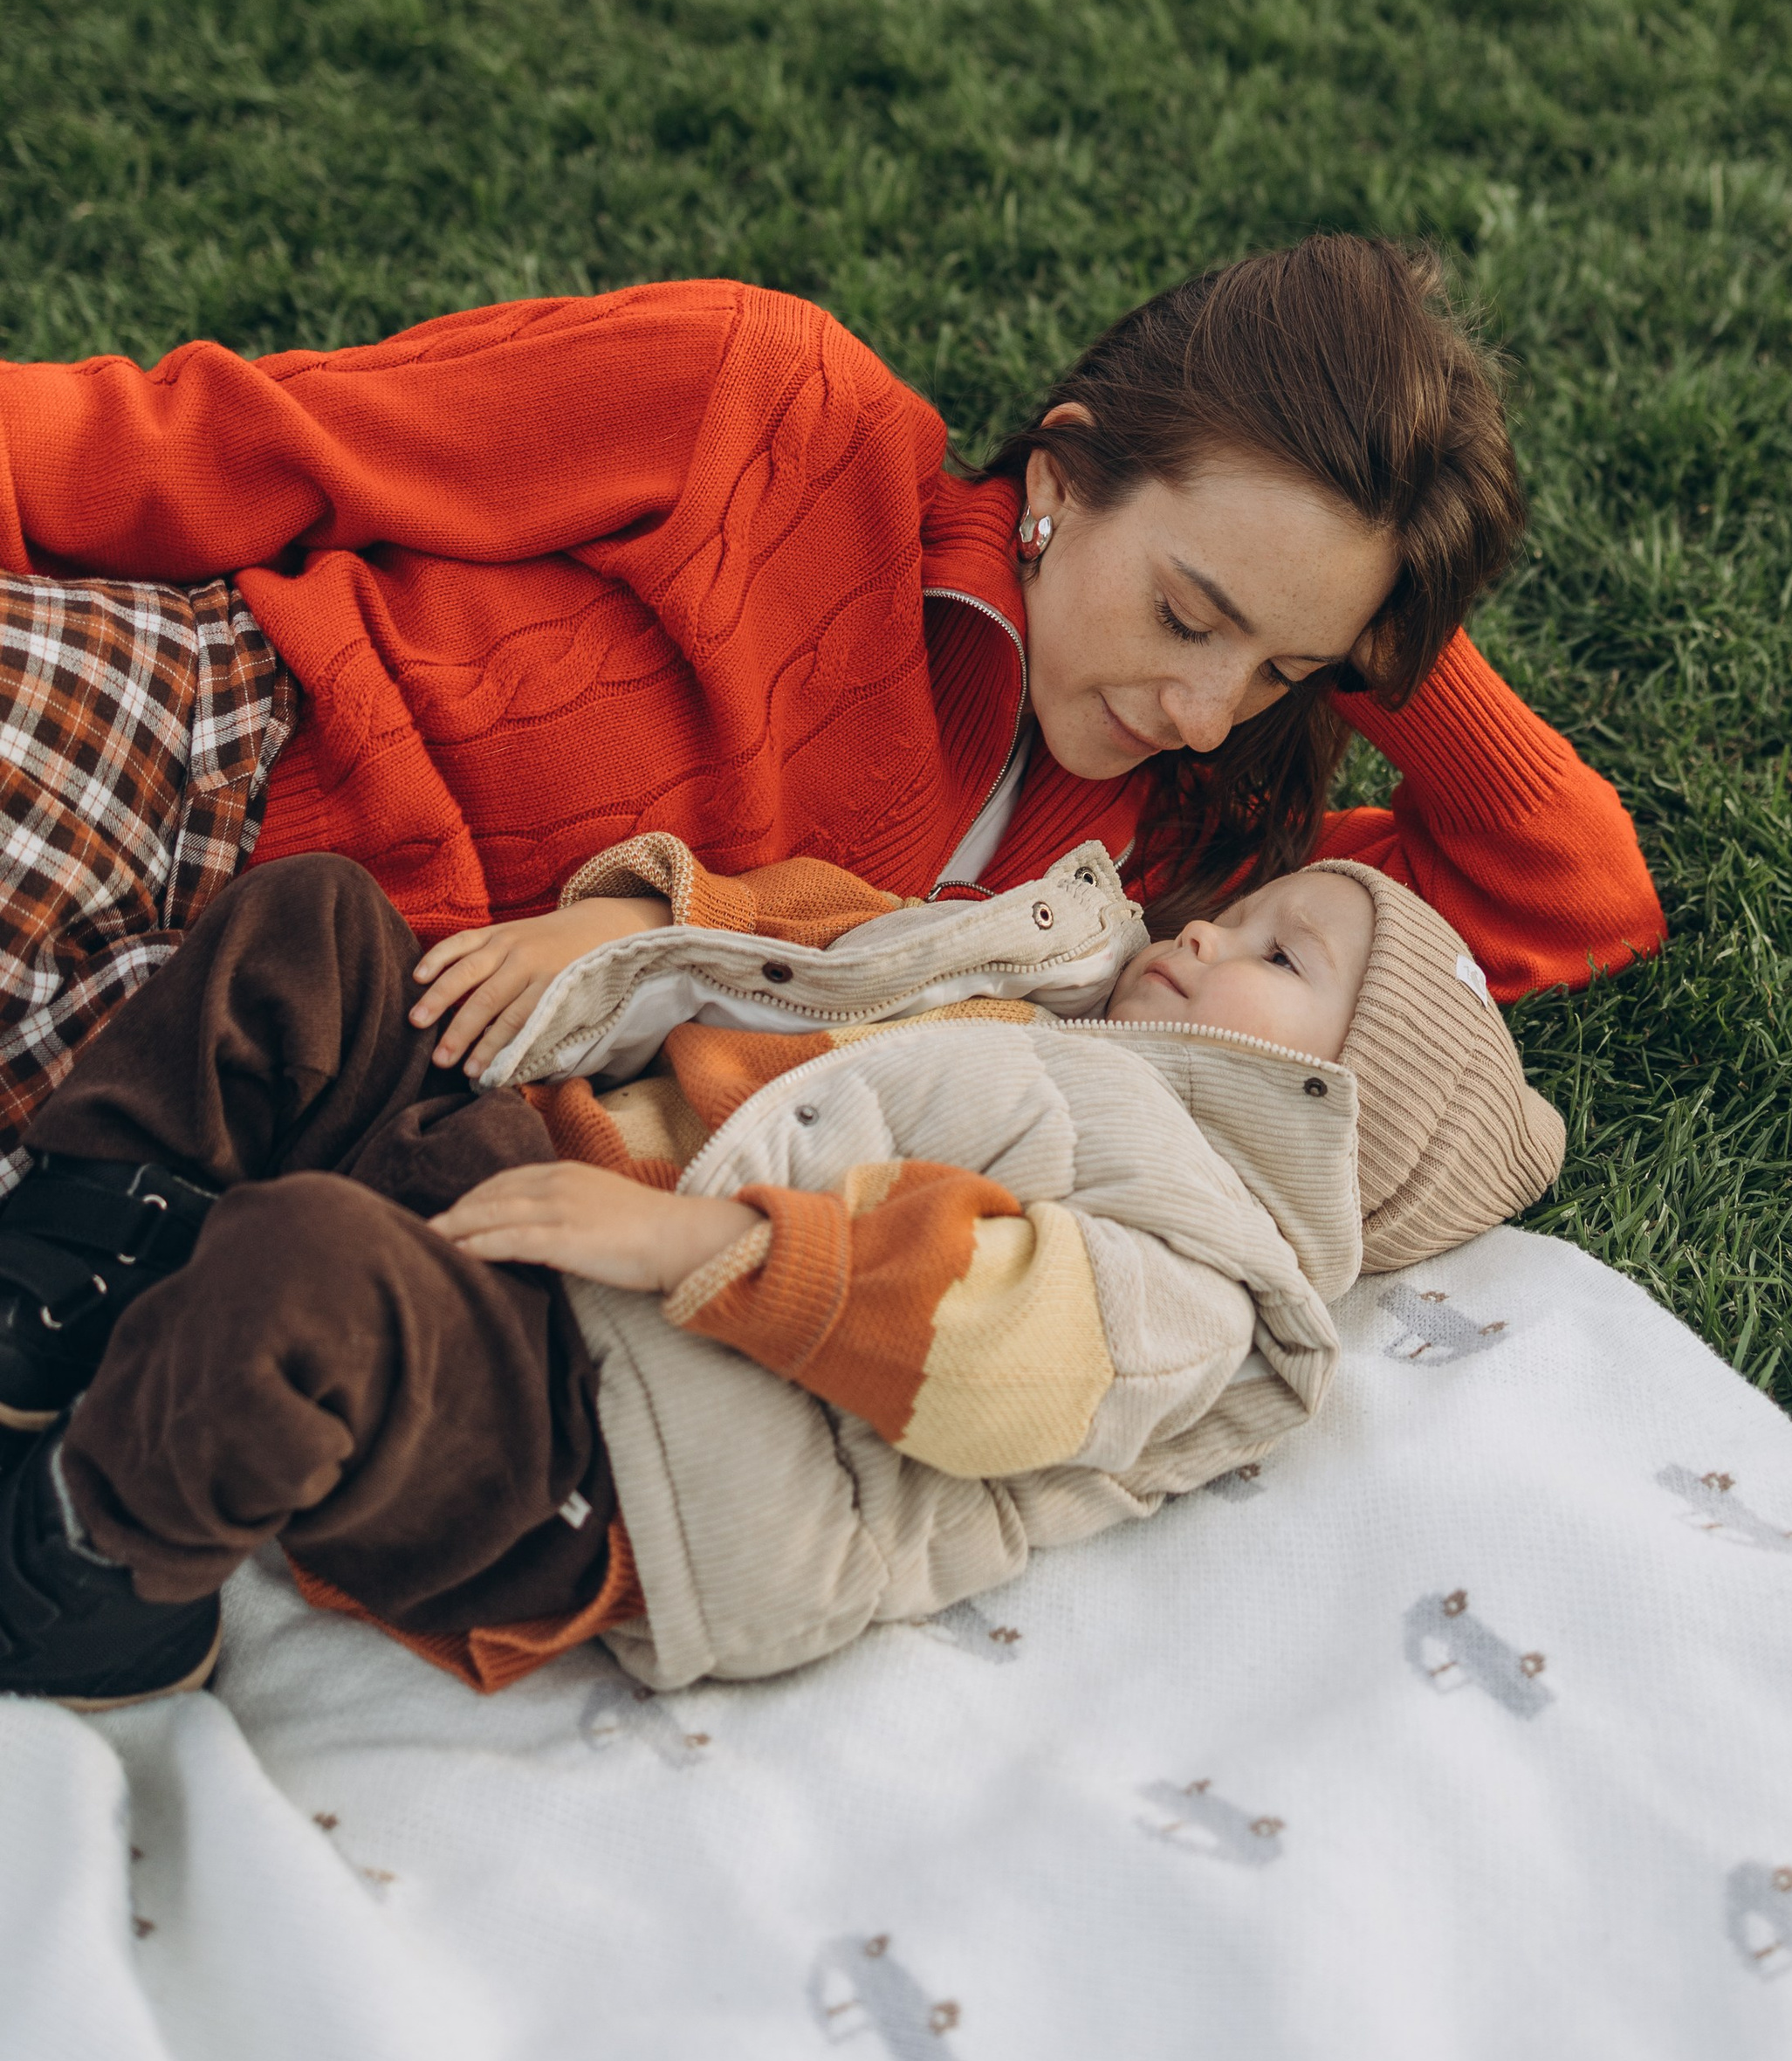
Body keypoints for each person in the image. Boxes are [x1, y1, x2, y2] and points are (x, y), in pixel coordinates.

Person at [0, 237, 1665, 1182]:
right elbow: (206, 445)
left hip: (285, 1052)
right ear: (1063, 476)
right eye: (1189, 613)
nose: (1208, 710)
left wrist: (1375, 602)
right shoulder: (772, 403)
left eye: (1286, 677)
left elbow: (1561, 896)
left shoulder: (1149, 888)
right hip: (183, 737)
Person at [0, 835, 1563, 1707]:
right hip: (521, 1164)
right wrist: (635, 916)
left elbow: (1018, 1352)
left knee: (309, 1278)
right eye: (1243, 914)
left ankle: (103, 1580)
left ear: (1336, 1116)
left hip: (610, 1430)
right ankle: (67, 1296)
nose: (1212, 939)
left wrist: (701, 1241)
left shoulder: (1213, 1256)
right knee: (316, 926)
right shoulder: (1042, 984)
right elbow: (806, 938)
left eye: (1278, 961)